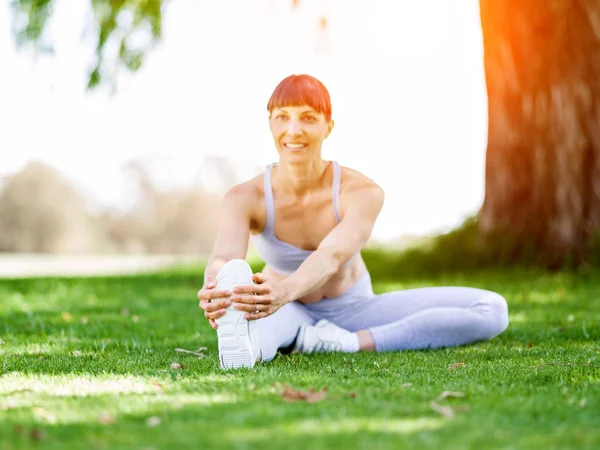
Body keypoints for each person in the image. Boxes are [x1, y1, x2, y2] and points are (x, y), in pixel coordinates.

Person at [197, 74, 509, 369]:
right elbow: (224, 257)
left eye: (308, 118)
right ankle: (261, 339)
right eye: (282, 117)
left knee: (492, 310)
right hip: (285, 310)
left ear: (328, 126)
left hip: (356, 309)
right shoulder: (244, 197)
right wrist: (214, 288)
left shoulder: (361, 192)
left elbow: (331, 256)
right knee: (257, 335)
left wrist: (285, 290)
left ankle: (346, 343)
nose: (293, 131)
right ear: (270, 124)